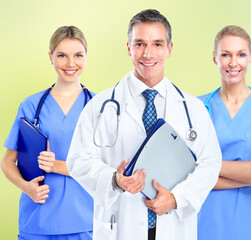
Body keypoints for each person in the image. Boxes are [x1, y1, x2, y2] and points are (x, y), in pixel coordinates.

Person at [66, 9, 221, 240]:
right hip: (120, 227)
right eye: (139, 43)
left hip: (174, 228)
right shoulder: (99, 107)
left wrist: (177, 198)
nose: (148, 53)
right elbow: (77, 161)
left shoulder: (193, 109)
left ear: (169, 49)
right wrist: (114, 180)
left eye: (157, 44)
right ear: (128, 48)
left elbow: (210, 164)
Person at [1, 26, 94, 240]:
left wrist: (57, 166)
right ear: (50, 57)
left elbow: (107, 167)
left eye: (78, 55)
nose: (71, 63)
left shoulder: (98, 107)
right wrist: (26, 187)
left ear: (86, 57)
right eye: (62, 55)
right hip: (38, 221)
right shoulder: (31, 106)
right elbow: (7, 161)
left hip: (85, 221)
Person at [196, 25, 251, 239]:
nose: (233, 63)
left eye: (241, 54)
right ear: (215, 58)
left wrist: (207, 165)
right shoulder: (197, 108)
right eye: (225, 54)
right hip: (207, 221)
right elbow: (188, 175)